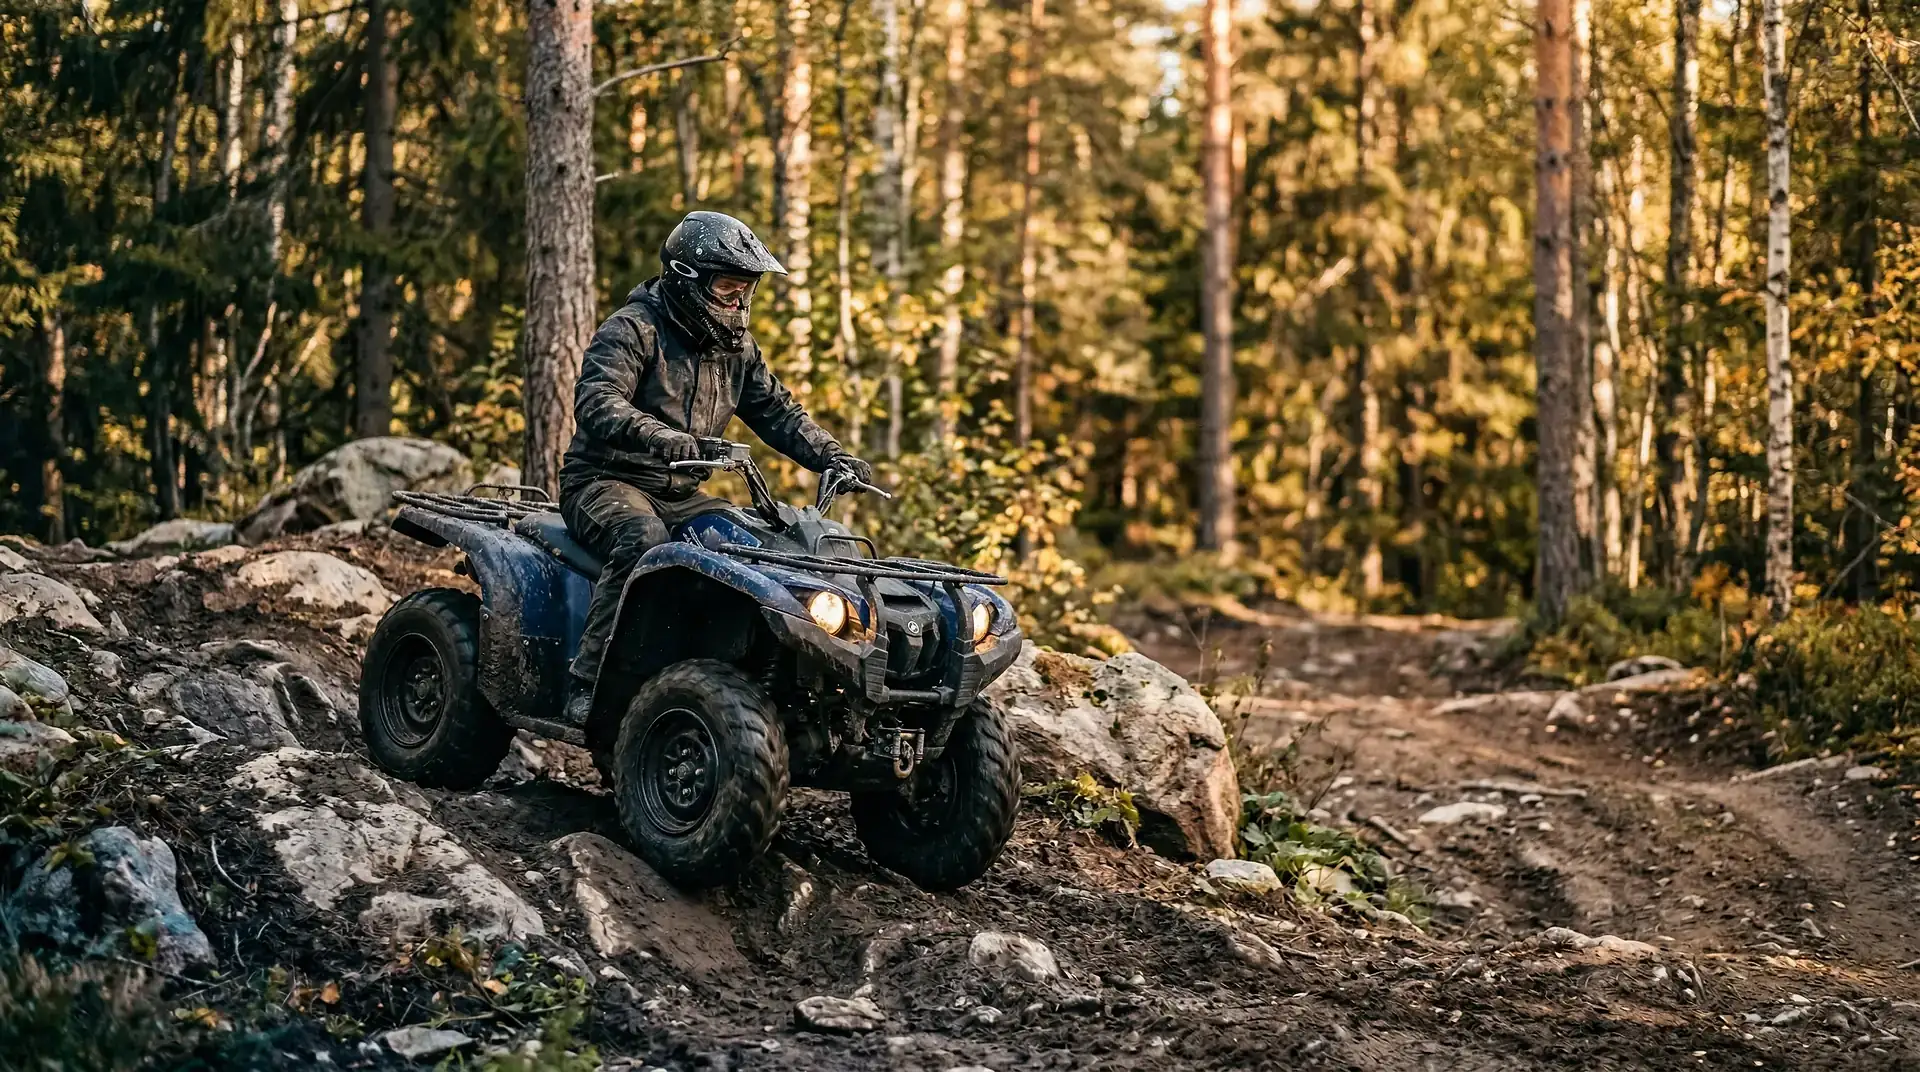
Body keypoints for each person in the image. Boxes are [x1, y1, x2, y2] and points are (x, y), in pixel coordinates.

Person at [558, 210, 872, 725]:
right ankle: (589, 682)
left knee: (756, 548)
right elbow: (598, 400)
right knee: (643, 540)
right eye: (727, 288)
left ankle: (746, 681)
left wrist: (831, 455)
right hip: (605, 482)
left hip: (682, 494)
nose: (738, 302)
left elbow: (776, 411)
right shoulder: (633, 329)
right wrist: (660, 436)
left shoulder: (735, 348)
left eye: (745, 290)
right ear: (687, 279)